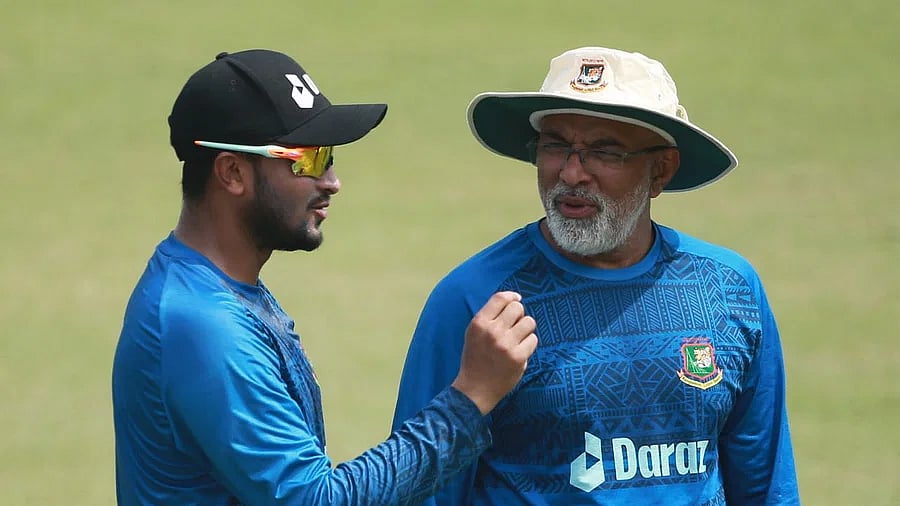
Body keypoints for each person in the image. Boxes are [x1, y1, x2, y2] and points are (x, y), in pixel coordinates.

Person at [111, 49, 538, 505]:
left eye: (328, 156)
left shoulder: (219, 288)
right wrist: (470, 398)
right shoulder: (202, 325)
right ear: (232, 172)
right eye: (308, 160)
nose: (332, 181)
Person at [392, 46, 800, 504]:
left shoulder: (728, 290)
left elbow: (765, 487)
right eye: (556, 146)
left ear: (661, 169)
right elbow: (421, 488)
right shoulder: (477, 300)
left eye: (604, 151)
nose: (571, 173)